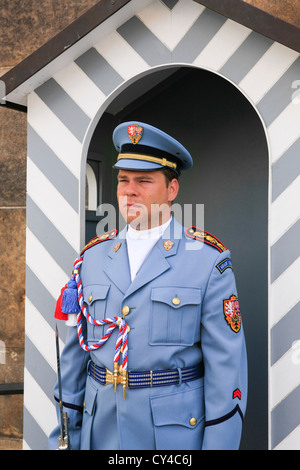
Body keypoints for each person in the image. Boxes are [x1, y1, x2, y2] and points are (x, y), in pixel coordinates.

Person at [49, 121, 247, 450]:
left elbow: (226, 374)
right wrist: (65, 439)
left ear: (171, 190)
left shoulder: (207, 261)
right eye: (123, 180)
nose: (129, 190)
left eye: (143, 180)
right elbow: (73, 363)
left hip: (172, 436)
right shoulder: (92, 258)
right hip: (101, 433)